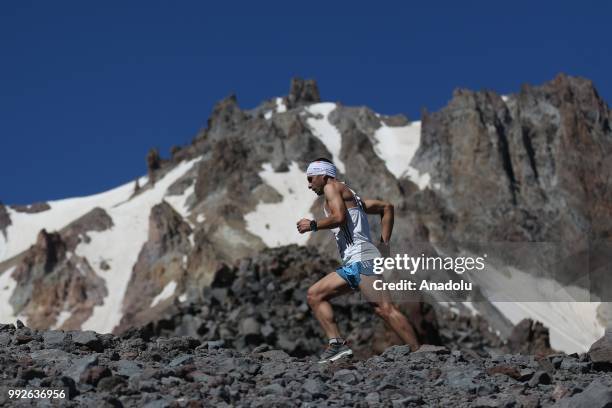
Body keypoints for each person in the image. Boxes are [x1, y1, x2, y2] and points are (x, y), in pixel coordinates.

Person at [296, 158, 420, 363]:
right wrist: (384, 245)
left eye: (311, 179)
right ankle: (337, 345)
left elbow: (339, 218)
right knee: (315, 295)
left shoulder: (331, 187)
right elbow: (387, 207)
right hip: (354, 262)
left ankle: (421, 354)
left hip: (362, 259)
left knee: (385, 309)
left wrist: (313, 224)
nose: (309, 185)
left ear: (323, 175)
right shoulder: (353, 197)